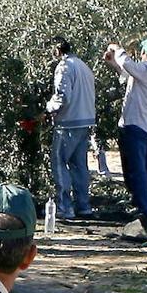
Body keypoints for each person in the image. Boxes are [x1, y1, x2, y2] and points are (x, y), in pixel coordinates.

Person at [104, 37, 147, 217]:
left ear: (144, 52)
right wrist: (115, 64)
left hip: (137, 124)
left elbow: (130, 66)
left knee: (138, 169)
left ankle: (146, 208)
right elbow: (128, 73)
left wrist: (117, 49)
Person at [45, 37, 96, 219]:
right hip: (85, 120)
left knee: (59, 162)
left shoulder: (64, 67)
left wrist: (48, 108)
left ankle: (64, 206)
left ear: (58, 50)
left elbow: (62, 96)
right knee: (79, 165)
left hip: (68, 122)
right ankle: (83, 205)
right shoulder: (83, 66)